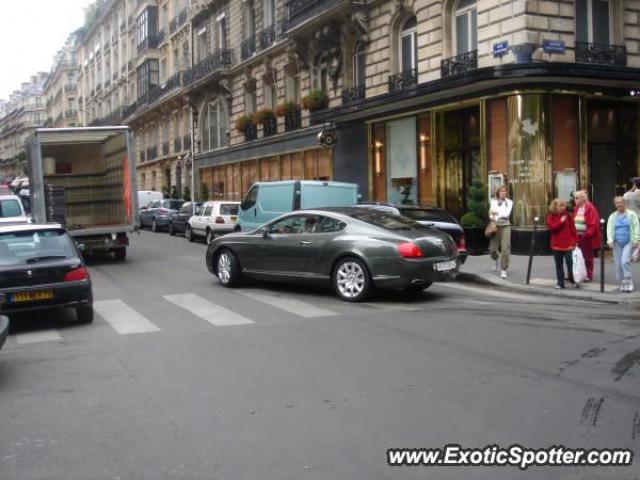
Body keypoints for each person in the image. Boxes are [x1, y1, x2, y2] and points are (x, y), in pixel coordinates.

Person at [607, 196, 640, 292]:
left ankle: (628, 281)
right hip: (617, 243)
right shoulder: (612, 216)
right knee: (618, 264)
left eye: (620, 202)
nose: (619, 204)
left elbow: (636, 226)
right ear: (615, 205)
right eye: (616, 203)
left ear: (624, 203)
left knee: (625, 261)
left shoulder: (632, 214)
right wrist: (609, 240)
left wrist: (636, 239)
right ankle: (623, 281)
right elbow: (609, 229)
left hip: (628, 242)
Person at [546, 199, 578, 289]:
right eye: (560, 206)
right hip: (556, 245)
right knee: (559, 265)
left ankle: (572, 280)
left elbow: (573, 229)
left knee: (571, 263)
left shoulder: (568, 216)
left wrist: (576, 241)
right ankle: (560, 283)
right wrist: (561, 221)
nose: (563, 207)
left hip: (569, 244)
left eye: (564, 205)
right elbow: (552, 228)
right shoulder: (551, 216)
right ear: (555, 207)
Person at [572, 190, 601, 282]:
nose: (575, 200)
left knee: (587, 257)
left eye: (576, 198)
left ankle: (589, 275)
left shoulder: (590, 208)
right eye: (575, 198)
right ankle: (577, 274)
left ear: (582, 198)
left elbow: (594, 224)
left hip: (586, 237)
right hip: (577, 236)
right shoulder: (576, 208)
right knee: (576, 256)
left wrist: (587, 234)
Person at [489, 186, 513, 279]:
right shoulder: (493, 202)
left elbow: (506, 214)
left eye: (505, 191)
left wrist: (496, 212)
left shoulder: (509, 202)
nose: (503, 192)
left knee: (505, 248)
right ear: (498, 192)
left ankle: (503, 269)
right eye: (502, 191)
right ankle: (496, 259)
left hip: (506, 225)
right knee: (493, 249)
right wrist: (493, 214)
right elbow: (490, 215)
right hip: (495, 225)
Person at [623, 177, 640, 261]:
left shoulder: (630, 194)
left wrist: (632, 189)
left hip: (630, 217)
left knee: (631, 235)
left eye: (633, 183)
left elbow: (624, 196)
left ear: (635, 185)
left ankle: (632, 254)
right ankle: (635, 255)